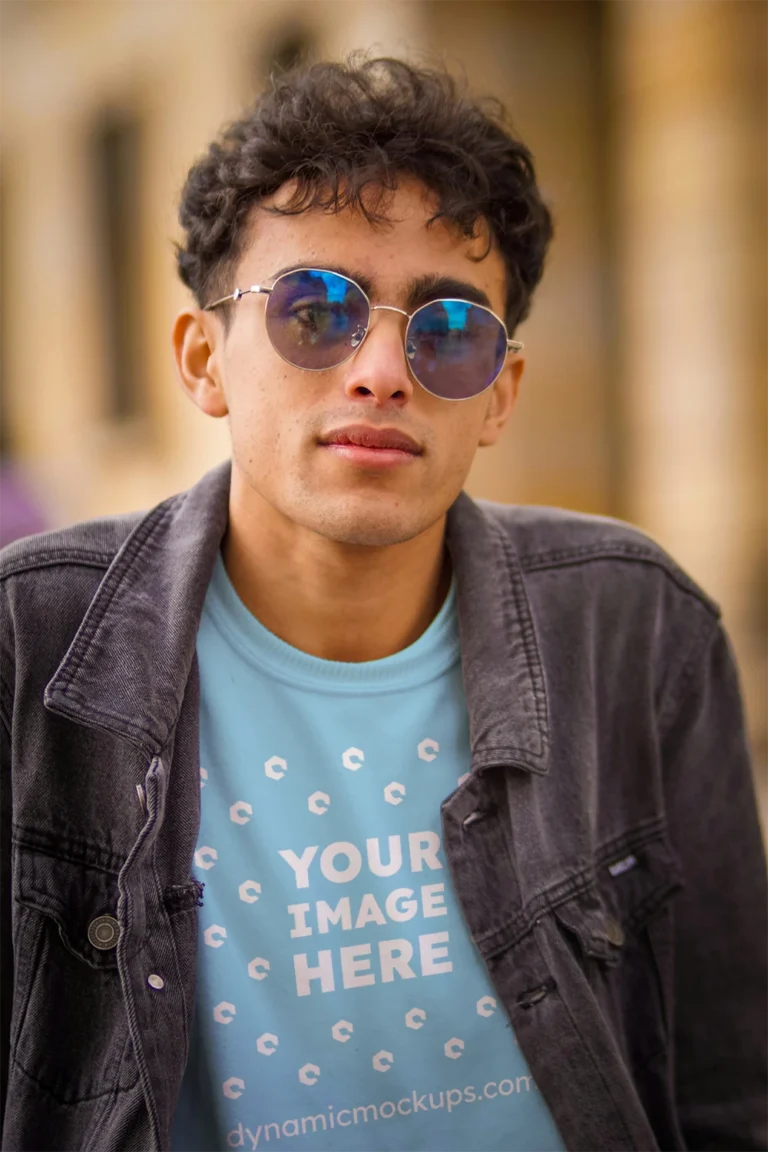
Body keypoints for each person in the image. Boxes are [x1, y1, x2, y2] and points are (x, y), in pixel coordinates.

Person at [0, 56, 766, 1152]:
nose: (382, 369)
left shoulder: (634, 627)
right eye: (316, 311)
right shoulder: (30, 645)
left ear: (499, 393)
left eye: (450, 329)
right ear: (203, 358)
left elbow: (728, 1091)